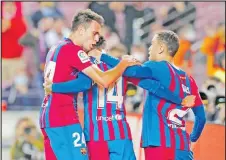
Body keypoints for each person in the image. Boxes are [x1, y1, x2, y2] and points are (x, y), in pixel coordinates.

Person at [43, 36, 195, 160]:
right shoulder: (122, 69)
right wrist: (179, 100)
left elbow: (82, 84)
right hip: (120, 133)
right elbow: (154, 87)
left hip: (96, 136)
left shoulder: (88, 68)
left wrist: (54, 87)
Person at [40, 9, 139, 160]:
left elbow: (84, 82)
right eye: (94, 33)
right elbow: (104, 80)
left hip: (47, 117)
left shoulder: (56, 47)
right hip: (63, 118)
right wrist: (122, 64)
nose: (96, 39)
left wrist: (54, 87)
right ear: (81, 30)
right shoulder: (74, 51)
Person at [100, 30, 206, 160]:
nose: (149, 48)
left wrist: (101, 55)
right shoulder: (190, 80)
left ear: (161, 48)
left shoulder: (156, 66)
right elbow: (201, 117)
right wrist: (193, 139)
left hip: (159, 144)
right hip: (183, 147)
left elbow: (130, 71)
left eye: (152, 44)